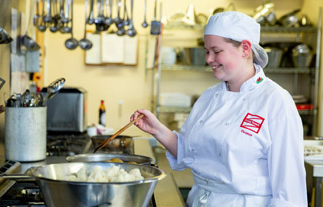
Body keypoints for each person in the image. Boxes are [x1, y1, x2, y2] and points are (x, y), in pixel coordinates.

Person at [130, 11, 307, 207]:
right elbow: (189, 151)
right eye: (207, 51)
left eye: (216, 51)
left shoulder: (275, 101)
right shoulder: (208, 97)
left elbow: (290, 190)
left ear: (245, 48)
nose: (208, 59)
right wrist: (157, 129)